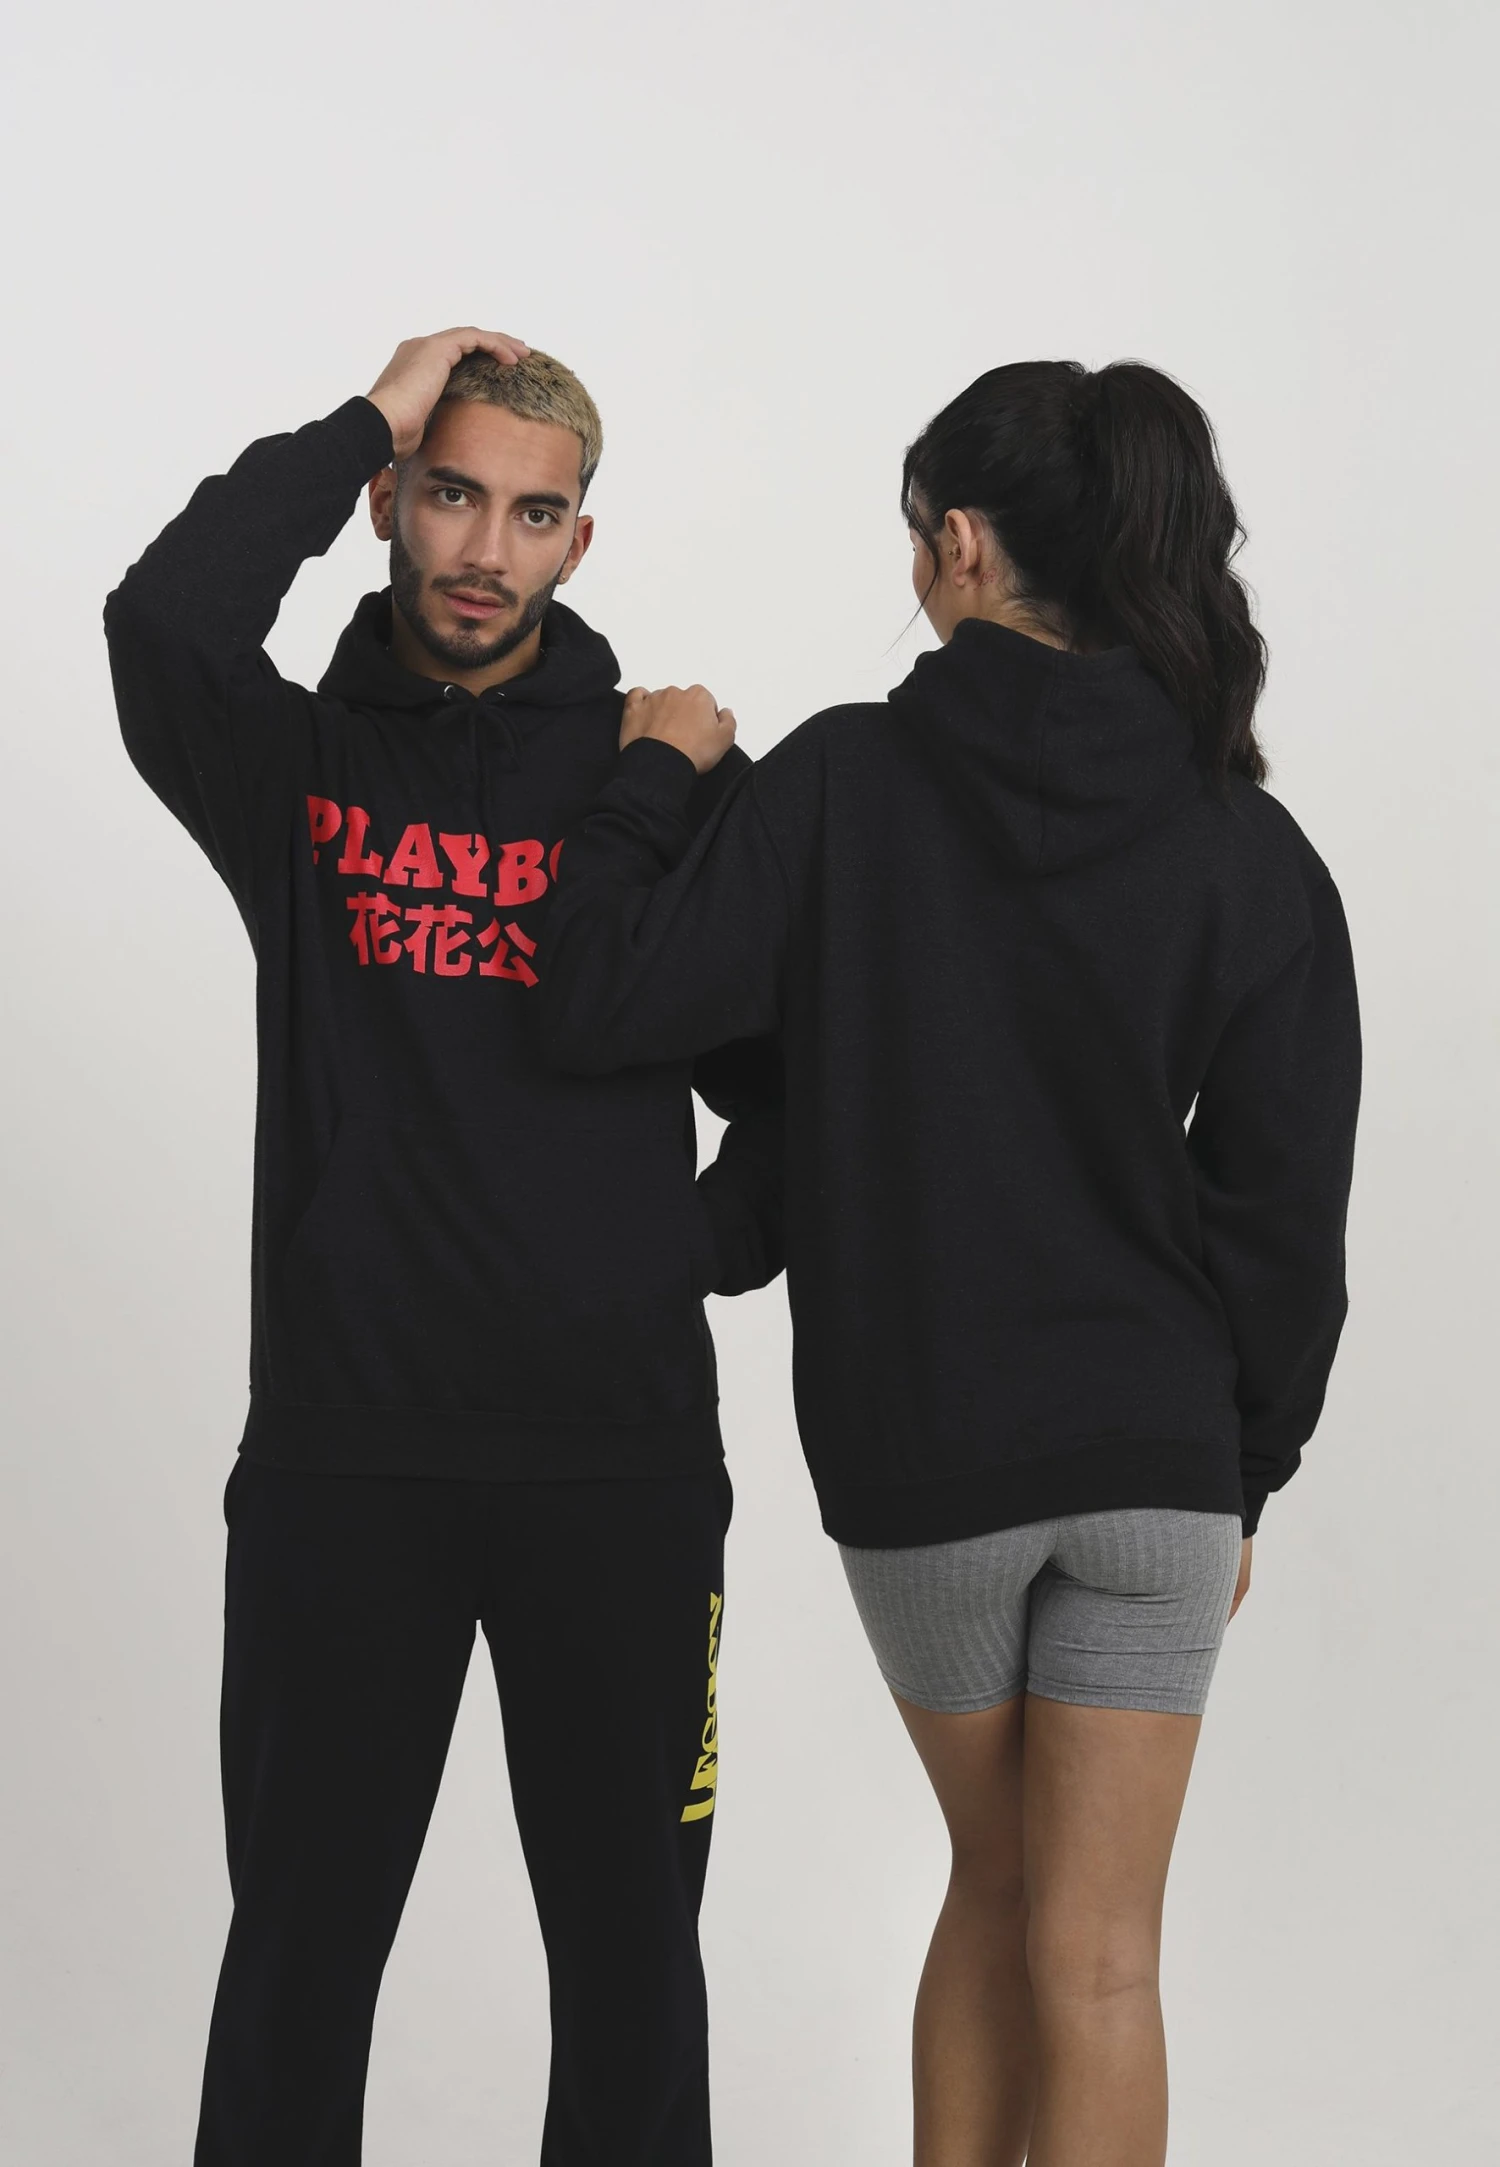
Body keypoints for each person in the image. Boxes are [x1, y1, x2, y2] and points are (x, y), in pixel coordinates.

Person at [536, 359, 1361, 2166]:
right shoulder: (1247, 840)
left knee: (996, 1883)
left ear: (964, 546)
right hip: (1160, 1468)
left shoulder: (843, 782)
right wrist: (1244, 1473)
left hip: (931, 1456)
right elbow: (1286, 1212)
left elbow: (603, 997)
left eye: (917, 537)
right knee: (1105, 1957)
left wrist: (657, 784)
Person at [104, 326, 784, 2167]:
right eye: (453, 495)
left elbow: (812, 1086)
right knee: (298, 1968)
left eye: (533, 514)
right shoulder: (299, 767)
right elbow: (161, 623)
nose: (487, 549)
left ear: (581, 539)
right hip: (347, 1455)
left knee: (634, 1979)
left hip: (622, 1465)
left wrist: (677, 1247)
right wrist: (367, 411)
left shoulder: (663, 780)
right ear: (392, 504)